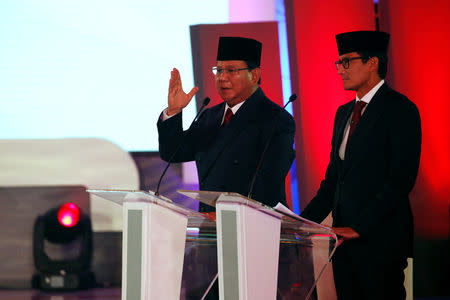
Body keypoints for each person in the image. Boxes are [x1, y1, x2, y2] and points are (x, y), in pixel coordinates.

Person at [300, 30, 421, 300]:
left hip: (380, 239)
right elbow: (333, 182)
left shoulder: (400, 109)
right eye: (338, 63)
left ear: (372, 62)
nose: (340, 70)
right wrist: (300, 223)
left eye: (347, 62)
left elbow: (401, 179)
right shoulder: (343, 113)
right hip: (343, 243)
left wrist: (360, 227)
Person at [158, 36, 295, 212]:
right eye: (219, 70)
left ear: (254, 75)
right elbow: (172, 153)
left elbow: (270, 182)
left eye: (231, 70)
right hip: (211, 228)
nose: (222, 77)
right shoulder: (209, 116)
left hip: (254, 226)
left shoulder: (276, 119)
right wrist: (174, 111)